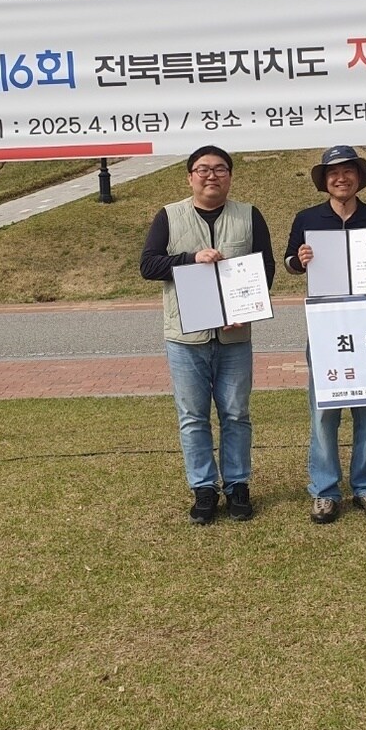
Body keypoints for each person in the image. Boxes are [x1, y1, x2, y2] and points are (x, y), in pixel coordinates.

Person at [140, 146, 275, 525]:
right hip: (185, 337)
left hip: (235, 336)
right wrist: (189, 258)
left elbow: (265, 268)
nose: (211, 175)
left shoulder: (248, 215)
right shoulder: (169, 215)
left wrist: (243, 311)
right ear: (190, 177)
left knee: (236, 413)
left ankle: (237, 485)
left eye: (219, 169)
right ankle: (203, 488)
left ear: (230, 176)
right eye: (202, 169)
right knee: (193, 416)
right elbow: (148, 265)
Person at [284, 145, 366, 525]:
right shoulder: (307, 218)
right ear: (324, 181)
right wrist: (299, 260)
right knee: (324, 411)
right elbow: (290, 262)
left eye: (348, 171)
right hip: (326, 325)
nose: (341, 178)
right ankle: (325, 490)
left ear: (359, 177)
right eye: (333, 173)